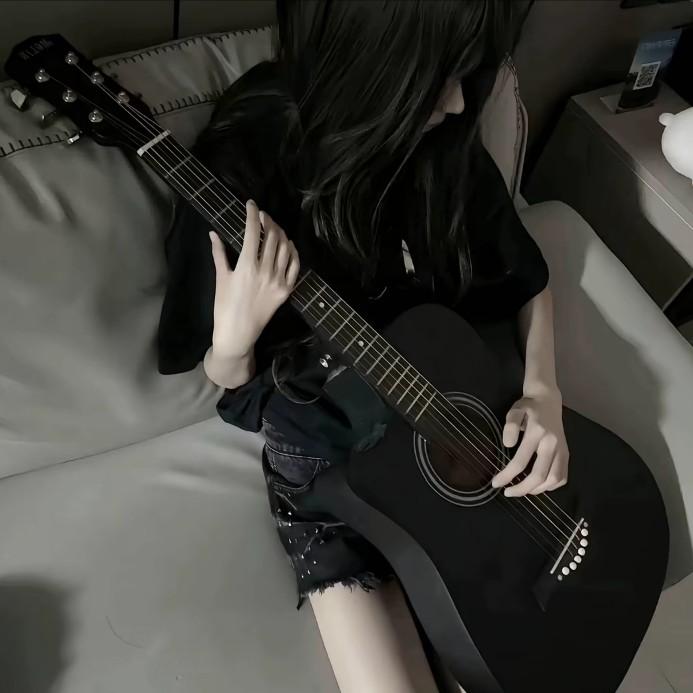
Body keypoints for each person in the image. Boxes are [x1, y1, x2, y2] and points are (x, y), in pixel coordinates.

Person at [158, 1, 569, 690]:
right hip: (331, 464)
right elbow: (228, 380)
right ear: (379, 67)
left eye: (466, 76)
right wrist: (234, 338)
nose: (458, 103)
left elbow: (525, 275)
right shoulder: (245, 156)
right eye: (441, 80)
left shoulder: (441, 140)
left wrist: (544, 391)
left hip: (449, 421)